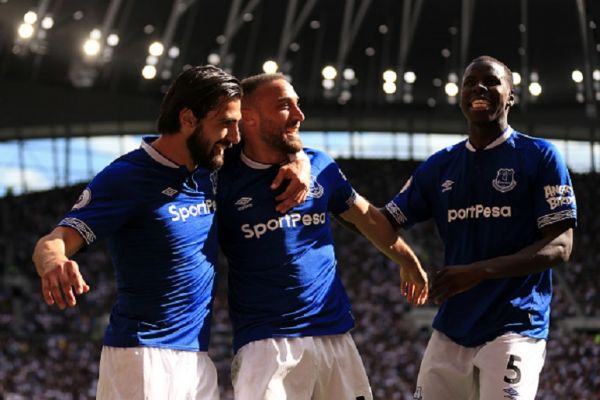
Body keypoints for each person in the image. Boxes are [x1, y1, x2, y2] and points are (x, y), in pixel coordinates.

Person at [31, 65, 309, 400]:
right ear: (188, 118)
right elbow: (54, 241)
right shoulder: (127, 177)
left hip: (196, 360)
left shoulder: (213, 164)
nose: (235, 137)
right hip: (142, 356)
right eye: (225, 123)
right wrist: (55, 262)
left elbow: (280, 141)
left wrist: (300, 163)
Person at [216, 73, 429, 400]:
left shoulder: (320, 166)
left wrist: (407, 259)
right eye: (285, 106)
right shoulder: (221, 177)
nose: (300, 116)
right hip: (267, 344)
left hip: (335, 337)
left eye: (298, 105)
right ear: (249, 117)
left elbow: (370, 217)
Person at [382, 55, 577, 400]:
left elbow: (560, 245)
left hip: (515, 325)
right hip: (451, 327)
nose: (479, 88)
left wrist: (479, 271)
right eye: (470, 82)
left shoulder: (540, 156)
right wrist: (332, 192)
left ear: (511, 97)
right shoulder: (439, 166)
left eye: (491, 81)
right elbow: (385, 222)